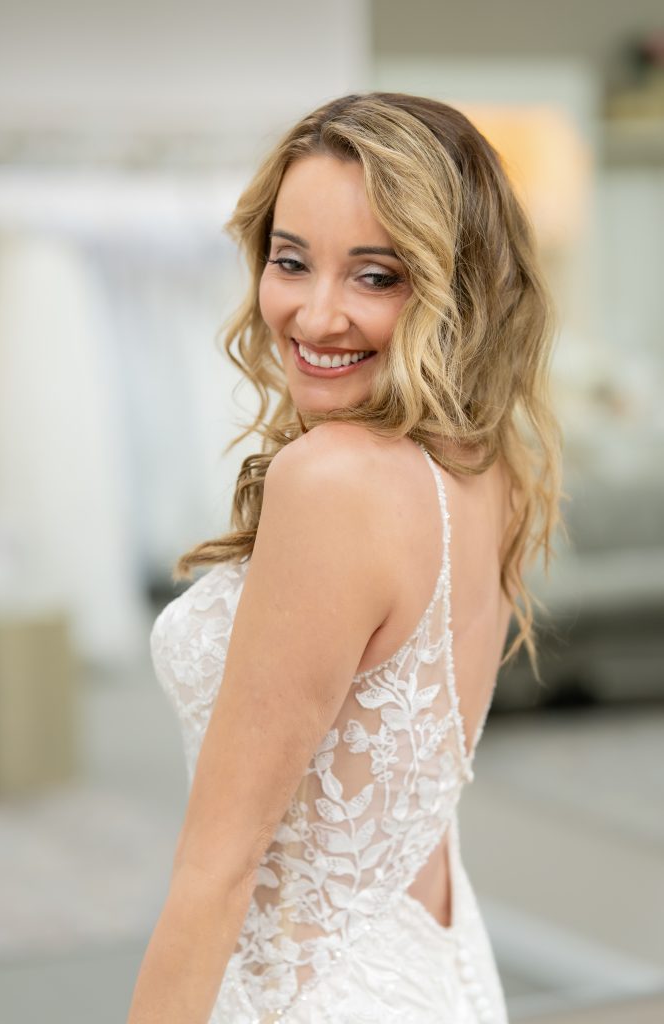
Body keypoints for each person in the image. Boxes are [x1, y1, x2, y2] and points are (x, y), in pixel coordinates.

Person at [127, 92, 563, 1023]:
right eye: (291, 262)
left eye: (376, 275)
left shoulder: (331, 481)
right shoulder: (485, 462)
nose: (314, 315)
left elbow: (218, 865)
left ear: (457, 284)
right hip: (436, 971)